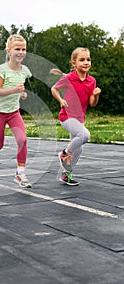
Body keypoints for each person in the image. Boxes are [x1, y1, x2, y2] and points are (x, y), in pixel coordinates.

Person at [0, 34, 32, 188]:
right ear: (8, 51)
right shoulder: (1, 70)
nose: (20, 52)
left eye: (23, 49)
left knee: (22, 140)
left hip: (14, 112)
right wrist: (14, 90)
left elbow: (20, 90)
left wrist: (22, 93)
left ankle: (20, 173)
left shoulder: (25, 70)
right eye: (17, 49)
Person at [51, 47, 101, 186]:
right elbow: (54, 89)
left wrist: (95, 95)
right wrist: (61, 100)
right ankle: (64, 153)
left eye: (88, 59)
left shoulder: (92, 81)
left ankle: (66, 174)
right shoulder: (68, 78)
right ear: (74, 63)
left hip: (80, 119)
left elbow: (92, 103)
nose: (86, 62)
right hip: (66, 117)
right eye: (82, 60)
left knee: (79, 148)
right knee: (84, 136)